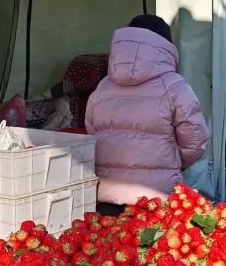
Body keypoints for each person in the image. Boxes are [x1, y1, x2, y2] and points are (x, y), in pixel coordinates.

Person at [86, 14, 210, 210]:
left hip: (106, 195)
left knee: (109, 231)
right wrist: (173, 162)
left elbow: (92, 134)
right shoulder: (174, 86)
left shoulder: (102, 87)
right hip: (156, 198)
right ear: (166, 45)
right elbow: (195, 140)